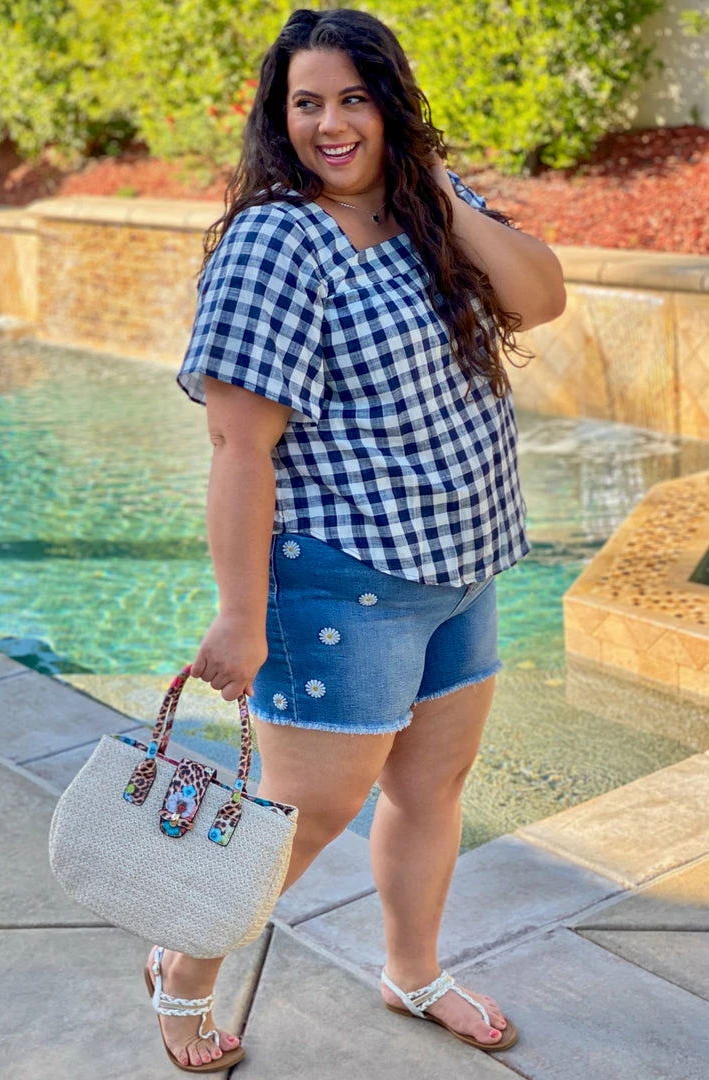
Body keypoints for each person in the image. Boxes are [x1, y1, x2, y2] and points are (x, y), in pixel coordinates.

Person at [146, 6, 566, 1071]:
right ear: (278, 117)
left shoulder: (430, 207)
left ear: (391, 104)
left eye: (353, 98)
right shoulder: (277, 241)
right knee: (300, 815)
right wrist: (241, 616)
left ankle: (411, 972)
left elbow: (540, 297)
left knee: (431, 789)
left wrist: (435, 189)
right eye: (306, 103)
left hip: (460, 564)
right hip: (344, 580)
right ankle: (183, 968)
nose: (330, 124)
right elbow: (239, 446)